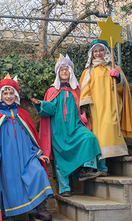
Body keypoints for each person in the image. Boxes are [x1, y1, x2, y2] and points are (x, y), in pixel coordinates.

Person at [0, 74, 54, 221]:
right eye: (5, 93)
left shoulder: (23, 114)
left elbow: (31, 138)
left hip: (27, 157)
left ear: (16, 95)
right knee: (9, 189)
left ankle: (41, 208)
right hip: (7, 162)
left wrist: (39, 153)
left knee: (38, 173)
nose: (9, 96)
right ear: (0, 96)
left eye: (11, 93)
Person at [31, 54, 102, 197]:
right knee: (60, 159)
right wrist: (41, 104)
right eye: (62, 69)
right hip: (59, 131)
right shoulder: (52, 91)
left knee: (89, 138)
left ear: (71, 72)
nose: (64, 72)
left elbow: (83, 106)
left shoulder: (77, 90)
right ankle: (64, 188)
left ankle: (86, 169)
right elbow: (50, 108)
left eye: (67, 69)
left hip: (75, 127)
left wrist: (84, 113)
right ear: (58, 72)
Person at [79, 39, 132, 174]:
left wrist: (118, 78)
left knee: (109, 130)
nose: (98, 53)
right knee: (98, 135)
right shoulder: (88, 71)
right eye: (95, 51)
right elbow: (85, 90)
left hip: (111, 106)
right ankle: (102, 167)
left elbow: (122, 90)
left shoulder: (113, 68)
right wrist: (84, 109)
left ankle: (107, 164)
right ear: (91, 53)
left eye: (100, 50)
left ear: (106, 51)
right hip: (95, 108)